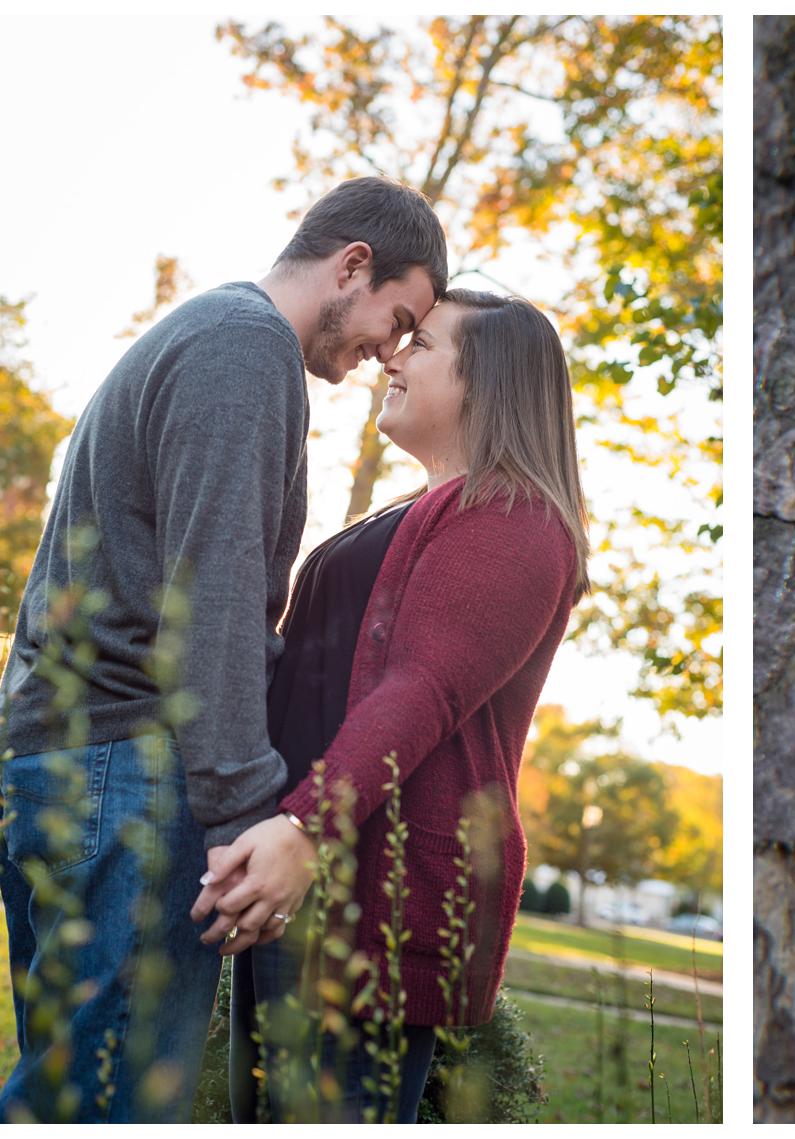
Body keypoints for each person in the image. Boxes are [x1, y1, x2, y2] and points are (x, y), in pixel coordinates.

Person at [0, 176, 445, 1124]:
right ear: (352, 264)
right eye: (395, 319)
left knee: (69, 1094)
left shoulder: (203, 333)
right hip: (126, 776)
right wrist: (244, 821)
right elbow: (217, 599)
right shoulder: (245, 350)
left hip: (63, 757)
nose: (385, 353)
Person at [197, 290, 590, 1123]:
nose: (392, 356)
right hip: (307, 869)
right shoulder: (423, 507)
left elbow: (423, 687)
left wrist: (307, 823)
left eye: (423, 344)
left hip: (376, 889)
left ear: (489, 384)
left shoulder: (518, 517)